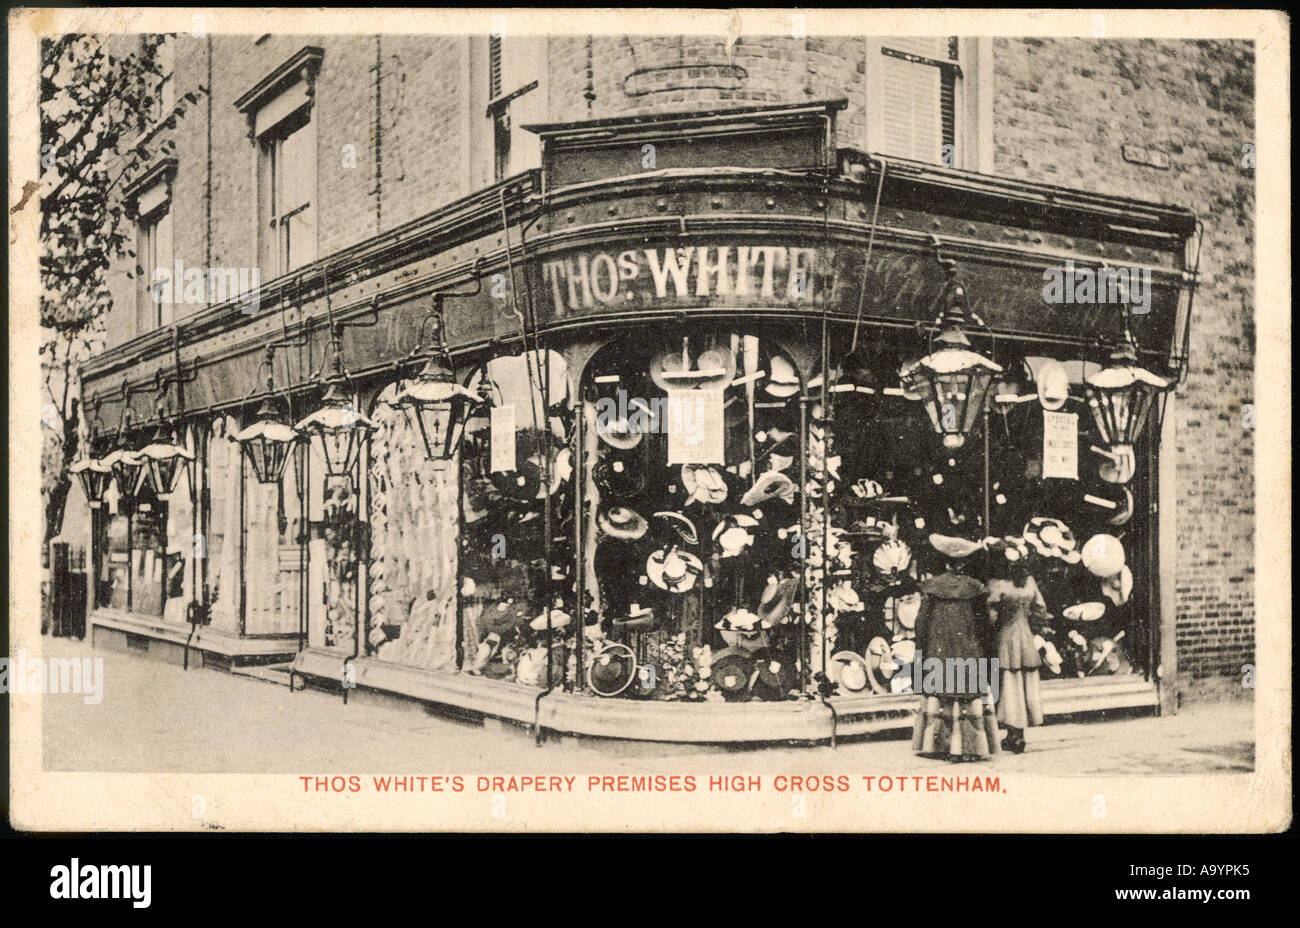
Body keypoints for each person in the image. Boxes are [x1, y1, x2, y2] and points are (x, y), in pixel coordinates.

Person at [911, 537, 1000, 762]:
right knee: (969, 697)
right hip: (969, 651)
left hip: (938, 651)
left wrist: (920, 655)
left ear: (944, 562)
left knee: (941, 696)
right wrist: (988, 655)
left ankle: (940, 746)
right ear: (965, 563)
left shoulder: (932, 588)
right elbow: (985, 626)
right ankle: (972, 748)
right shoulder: (975, 588)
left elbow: (920, 625)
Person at [985, 539, 1048, 754]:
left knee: (1010, 688)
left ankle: (1013, 734)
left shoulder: (998, 584)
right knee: (1025, 686)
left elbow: (991, 616)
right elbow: (1040, 609)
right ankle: (1019, 735)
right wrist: (1035, 628)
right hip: (1026, 637)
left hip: (1006, 637)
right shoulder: (1029, 582)